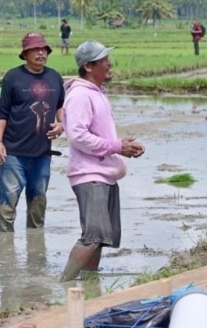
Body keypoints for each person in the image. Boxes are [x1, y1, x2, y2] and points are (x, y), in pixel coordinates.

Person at [60, 41, 145, 281]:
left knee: (99, 239)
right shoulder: (79, 95)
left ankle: (89, 287)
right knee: (93, 236)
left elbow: (96, 135)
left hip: (103, 173)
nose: (109, 63)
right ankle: (63, 285)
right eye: (103, 59)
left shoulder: (96, 93)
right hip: (90, 175)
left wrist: (121, 146)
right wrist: (117, 146)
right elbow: (78, 136)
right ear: (88, 66)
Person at [0, 32, 64, 233]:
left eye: (44, 49)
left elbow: (60, 106)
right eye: (35, 49)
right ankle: (5, 248)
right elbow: (1, 112)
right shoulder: (12, 77)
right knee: (8, 203)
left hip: (42, 154)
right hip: (13, 153)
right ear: (25, 54)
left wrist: (62, 124)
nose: (41, 53)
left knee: (38, 204)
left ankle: (35, 247)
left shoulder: (55, 77)